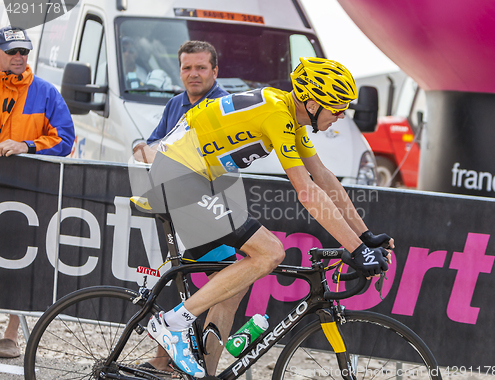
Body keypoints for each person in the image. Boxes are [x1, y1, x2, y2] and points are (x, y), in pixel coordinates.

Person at [138, 57, 394, 378]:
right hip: (179, 177)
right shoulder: (278, 115)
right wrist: (356, 250)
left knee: (234, 287)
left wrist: (365, 237)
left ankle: (206, 373)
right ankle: (172, 323)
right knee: (270, 252)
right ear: (312, 103)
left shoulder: (288, 113)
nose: (341, 116)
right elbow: (307, 192)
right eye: (338, 107)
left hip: (198, 180)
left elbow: (324, 178)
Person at [134, 41, 241, 376]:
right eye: (186, 68)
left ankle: (170, 361)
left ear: (215, 70)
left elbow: (217, 160)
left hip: (212, 204)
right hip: (188, 207)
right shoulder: (176, 103)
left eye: (201, 67)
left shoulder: (224, 104)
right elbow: (147, 146)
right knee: (225, 287)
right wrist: (146, 149)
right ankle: (188, 366)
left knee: (221, 286)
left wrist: (158, 154)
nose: (193, 74)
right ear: (179, 70)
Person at [0, 25, 74, 357]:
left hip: (25, 192)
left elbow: (65, 140)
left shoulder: (45, 92)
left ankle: (11, 334)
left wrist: (27, 145)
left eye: (24, 52)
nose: (19, 57)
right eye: (13, 51)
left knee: (19, 258)